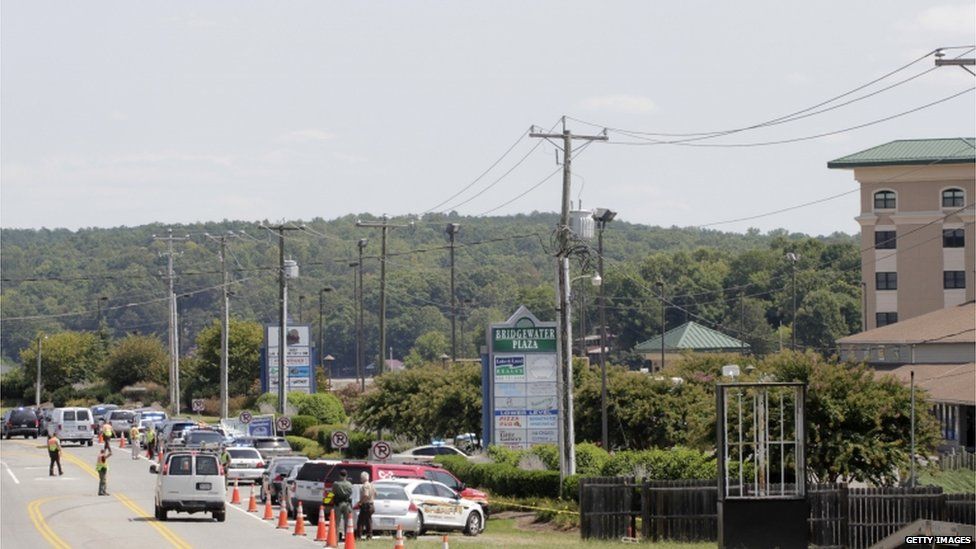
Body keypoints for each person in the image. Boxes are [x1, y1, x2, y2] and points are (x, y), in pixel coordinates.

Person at [332, 469, 354, 541]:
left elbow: (332, 493)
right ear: (346, 475)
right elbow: (351, 493)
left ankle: (336, 538)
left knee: (337, 522)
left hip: (338, 504)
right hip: (347, 504)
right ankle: (347, 537)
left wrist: (326, 501)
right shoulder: (349, 484)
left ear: (339, 475)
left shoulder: (336, 484)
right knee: (347, 522)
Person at [356, 471, 375, 540]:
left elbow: (366, 495)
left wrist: (360, 502)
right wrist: (371, 499)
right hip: (371, 505)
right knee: (368, 521)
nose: (360, 479)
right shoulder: (372, 485)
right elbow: (376, 493)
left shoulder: (365, 486)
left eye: (361, 478)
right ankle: (369, 536)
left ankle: (358, 536)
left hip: (366, 505)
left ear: (363, 478)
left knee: (360, 521)